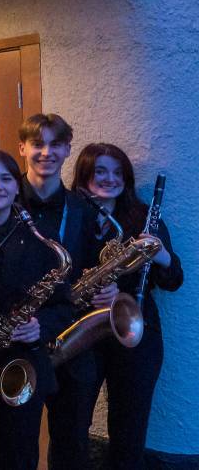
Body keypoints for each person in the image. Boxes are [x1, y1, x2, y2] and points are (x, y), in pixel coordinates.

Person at [72, 144, 184, 470]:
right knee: (72, 424)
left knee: (129, 431)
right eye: (101, 171)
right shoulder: (70, 213)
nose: (110, 179)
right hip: (83, 331)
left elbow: (174, 280)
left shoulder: (143, 217)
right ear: (85, 175)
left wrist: (161, 253)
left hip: (136, 332)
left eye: (118, 173)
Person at [0, 150, 72, 470]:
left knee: (18, 457)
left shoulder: (41, 241)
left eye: (6, 178)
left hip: (20, 367)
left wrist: (41, 325)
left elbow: (64, 306)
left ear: (17, 186)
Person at [16, 113, 110, 469]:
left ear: (68, 148)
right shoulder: (6, 203)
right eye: (37, 144)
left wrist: (107, 284)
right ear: (22, 147)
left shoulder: (83, 209)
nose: (46, 152)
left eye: (55, 144)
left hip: (71, 335)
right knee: (18, 438)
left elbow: (90, 265)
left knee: (72, 440)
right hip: (18, 335)